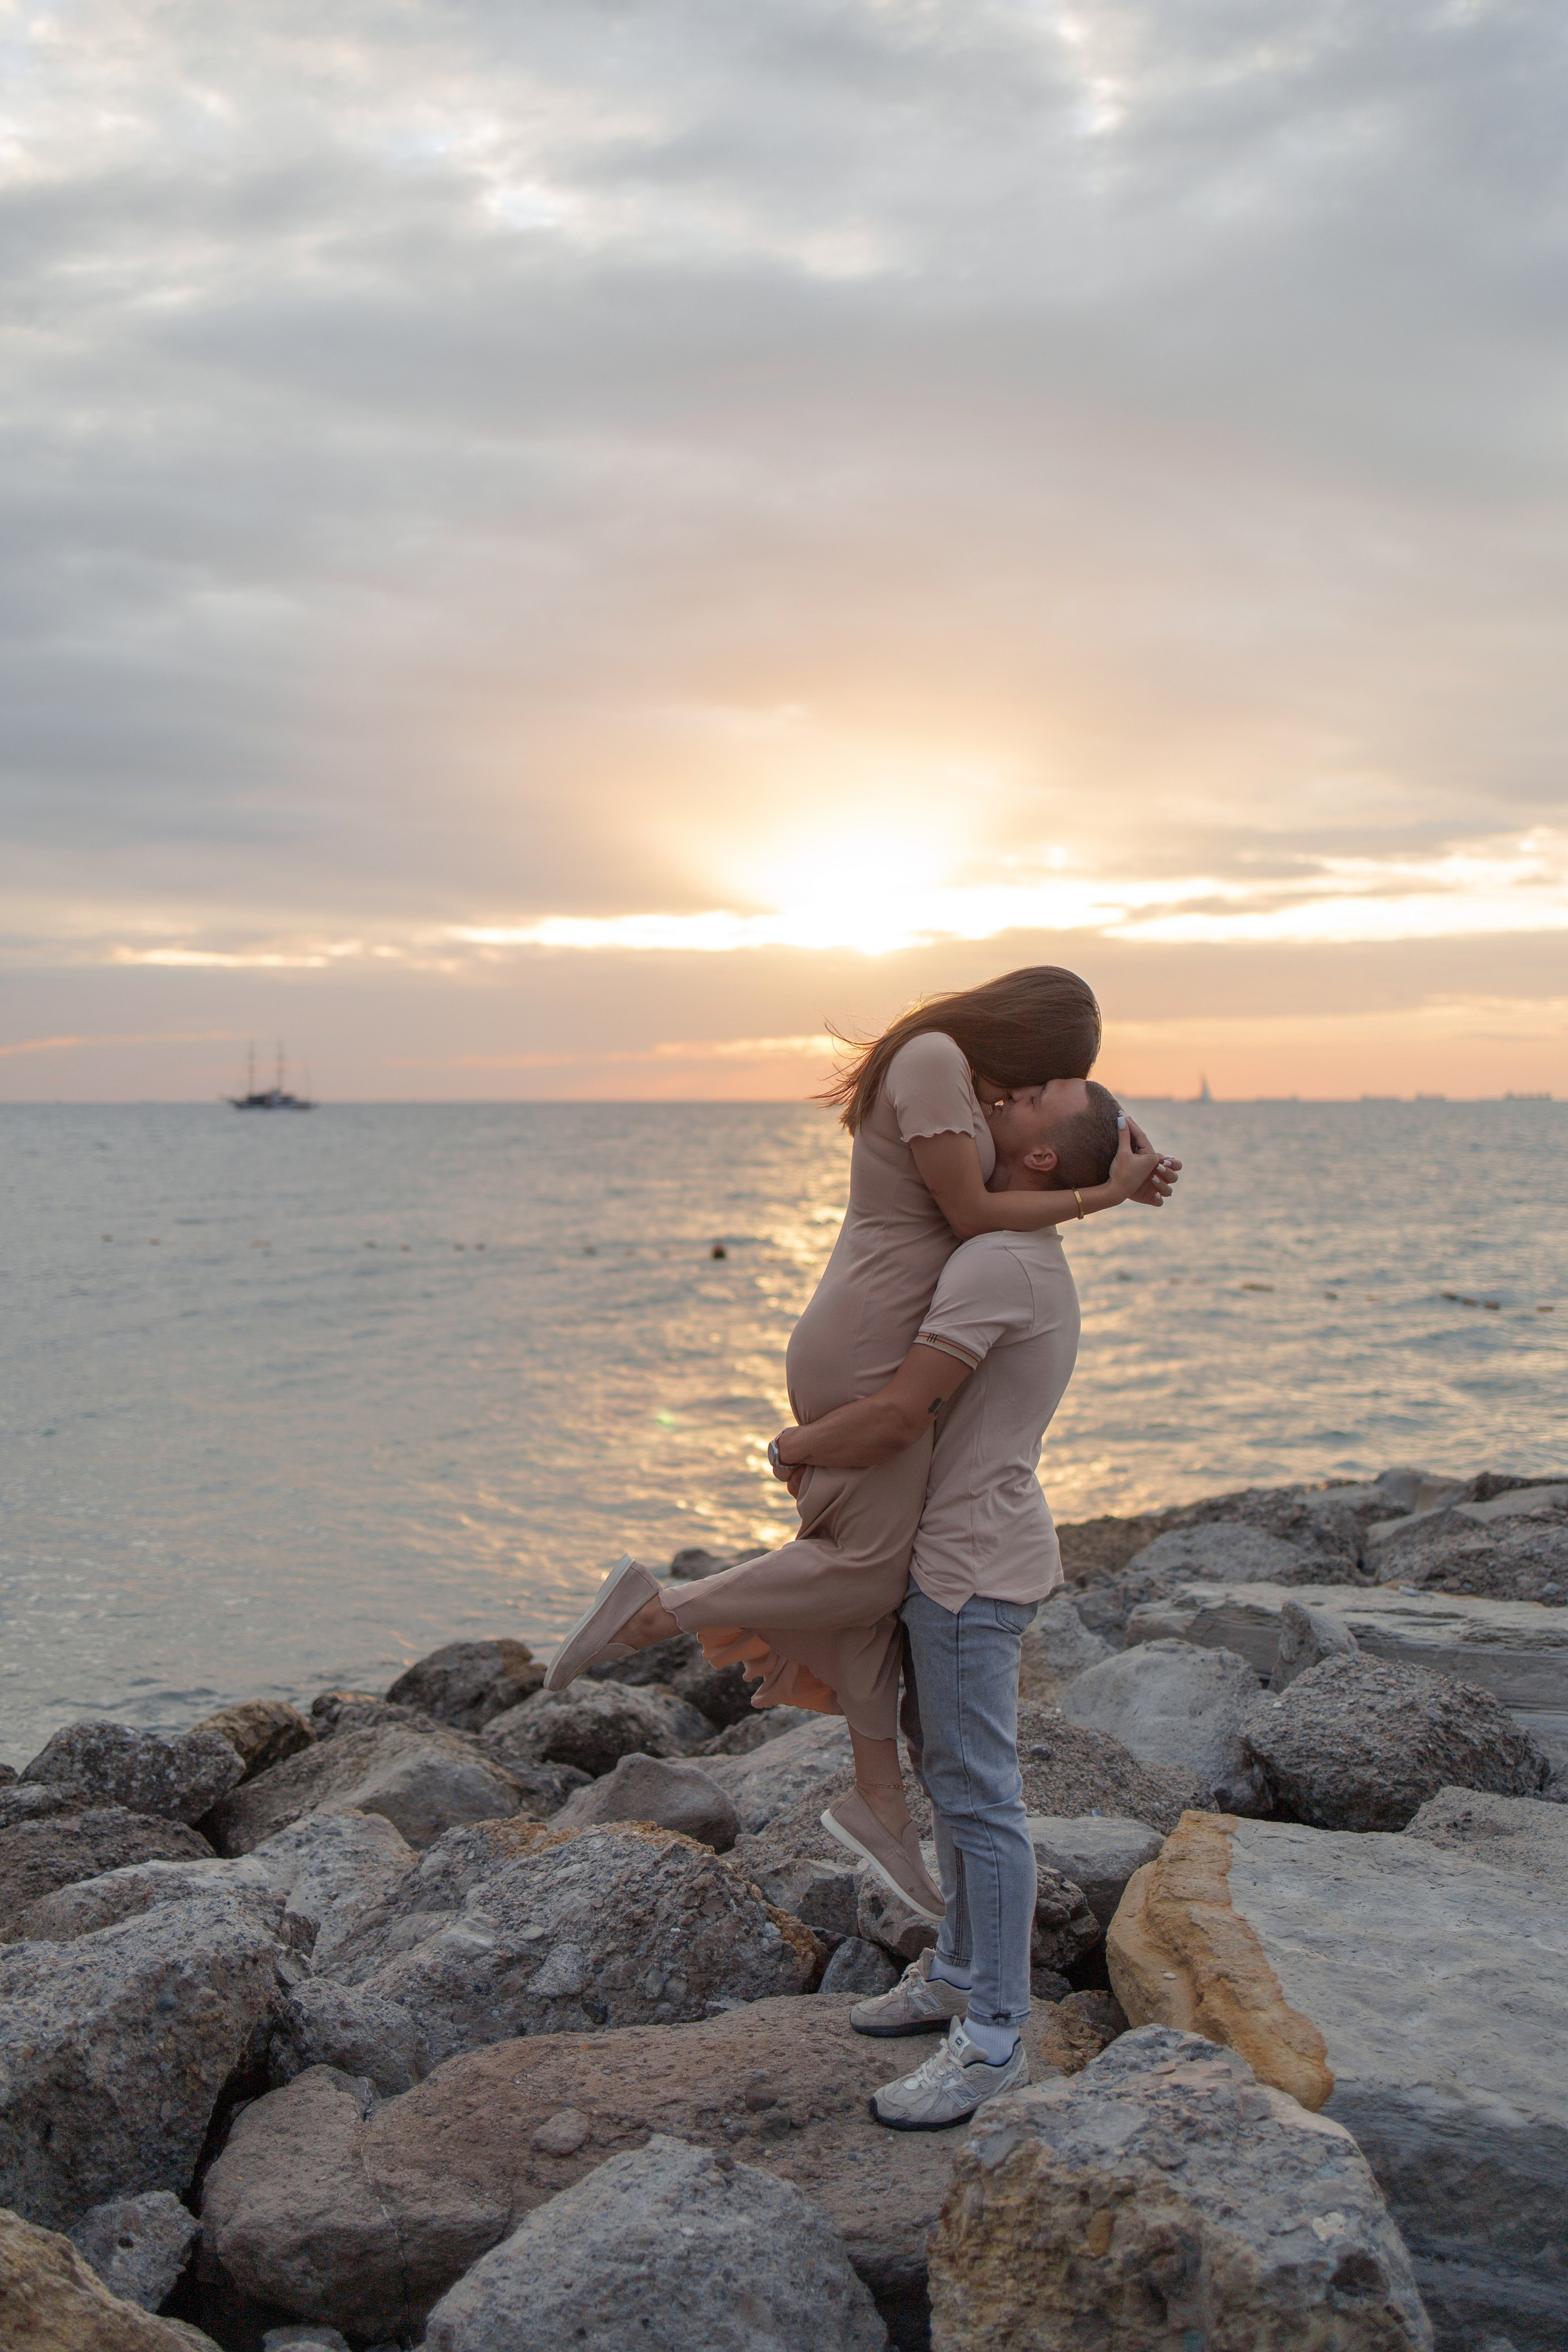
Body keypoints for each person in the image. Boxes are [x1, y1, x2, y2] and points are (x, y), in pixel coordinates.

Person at [545, 968, 1178, 1916]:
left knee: (872, 1584)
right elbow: (970, 1215)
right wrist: (1099, 1198)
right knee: (871, 1574)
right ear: (1025, 1039)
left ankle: (881, 1800)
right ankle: (657, 1610)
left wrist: (1104, 1173)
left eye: (1051, 1088)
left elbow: (1019, 1177)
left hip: (882, 1337)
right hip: (873, 1346)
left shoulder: (961, 1082)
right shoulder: (931, 1061)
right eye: (1049, 1076)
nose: (1034, 1096)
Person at [767, 1079, 1118, 2127]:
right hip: (964, 1555)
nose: (1001, 1097)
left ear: (1044, 1160)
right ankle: (960, 1974)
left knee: (978, 1798)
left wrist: (792, 1449)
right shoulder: (1017, 1250)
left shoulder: (995, 1262)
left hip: (969, 1567)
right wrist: (1112, 1168)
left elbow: (895, 1415)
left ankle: (996, 2039)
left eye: (1032, 1097)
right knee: (955, 1777)